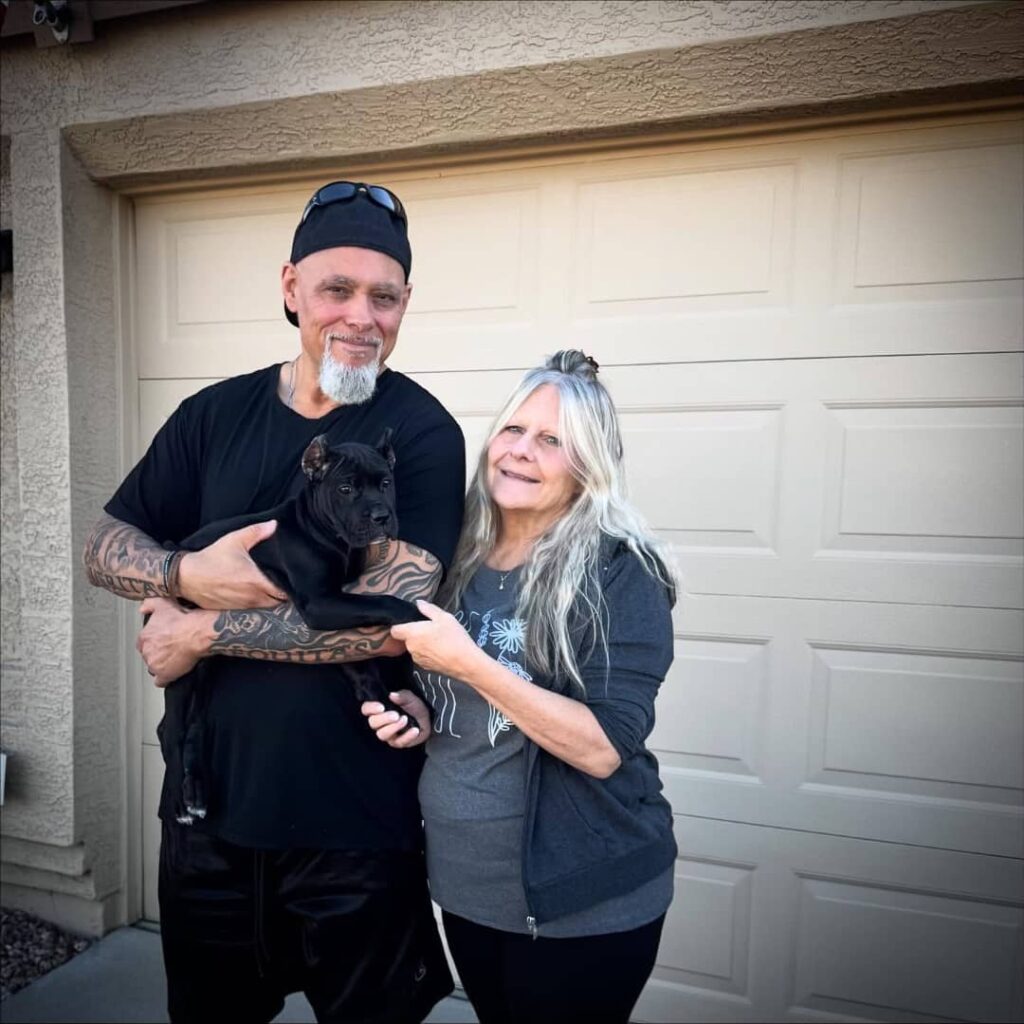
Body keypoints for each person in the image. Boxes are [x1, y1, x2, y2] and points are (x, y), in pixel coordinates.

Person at [82, 182, 465, 1024]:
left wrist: (200, 631)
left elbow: (390, 619)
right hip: (205, 811)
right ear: (291, 288)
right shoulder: (212, 416)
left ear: (405, 305)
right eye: (337, 289)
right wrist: (185, 573)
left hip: (355, 822)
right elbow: (104, 546)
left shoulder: (420, 433)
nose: (361, 316)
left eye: (384, 297)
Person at [363, 350, 677, 1024]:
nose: (522, 451)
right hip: (465, 886)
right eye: (513, 429)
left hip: (581, 900)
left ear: (588, 465)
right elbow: (461, 699)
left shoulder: (620, 572)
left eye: (552, 440)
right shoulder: (456, 553)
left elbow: (602, 747)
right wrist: (424, 710)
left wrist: (470, 664)